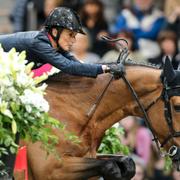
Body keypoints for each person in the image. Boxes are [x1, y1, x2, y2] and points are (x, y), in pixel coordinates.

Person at [0, 7, 123, 78]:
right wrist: (105, 68)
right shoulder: (39, 43)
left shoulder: (54, 43)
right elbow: (68, 66)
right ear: (54, 32)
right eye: (70, 35)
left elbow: (75, 63)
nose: (73, 41)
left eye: (74, 36)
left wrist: (106, 68)